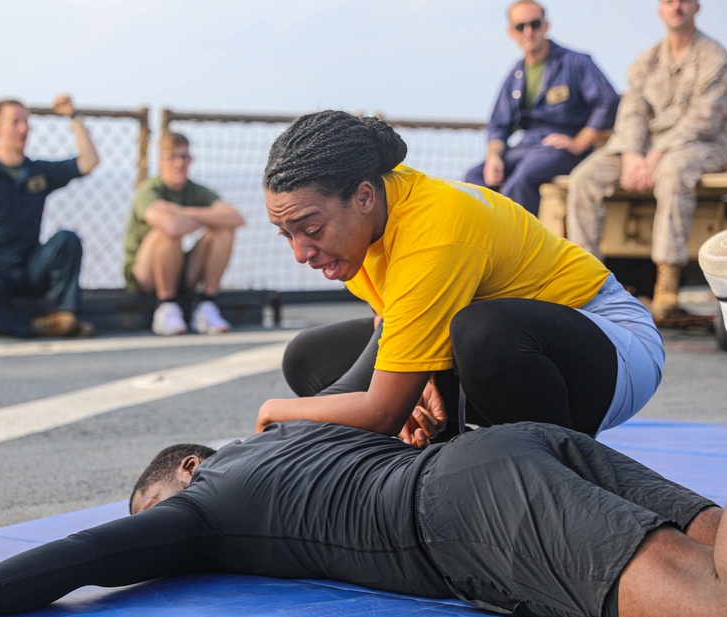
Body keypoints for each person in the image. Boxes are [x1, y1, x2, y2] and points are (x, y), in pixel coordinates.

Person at [0, 419, 727, 617]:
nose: (167, 543)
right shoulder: (295, 437)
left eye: (158, 517)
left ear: (184, 471)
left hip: (468, 510)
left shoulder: (210, 495)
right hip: (518, 444)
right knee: (724, 546)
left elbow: (94, 556)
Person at [258, 110, 664, 446]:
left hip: (611, 342)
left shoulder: (431, 231)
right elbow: (393, 322)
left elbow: (381, 411)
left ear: (363, 197)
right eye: (286, 234)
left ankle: (561, 462)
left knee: (479, 331)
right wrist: (419, 379)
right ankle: (436, 456)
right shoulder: (365, 225)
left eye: (311, 230)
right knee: (309, 358)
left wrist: (276, 413)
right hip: (506, 348)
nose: (300, 253)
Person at [566, 0, 727, 321]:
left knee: (672, 171)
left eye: (684, 1)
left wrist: (656, 154)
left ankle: (666, 282)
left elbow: (704, 117)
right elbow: (632, 111)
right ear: (660, 10)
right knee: (585, 177)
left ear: (696, 7)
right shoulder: (646, 60)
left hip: (703, 145)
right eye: (669, 1)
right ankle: (585, 280)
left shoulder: (714, 57)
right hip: (645, 149)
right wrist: (631, 155)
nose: (677, 7)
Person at [0, 88, 100, 338]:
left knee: (67, 239)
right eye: (15, 122)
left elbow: (89, 161)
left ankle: (65, 317)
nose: (23, 129)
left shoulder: (37, 171)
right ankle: (30, 326)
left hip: (30, 268)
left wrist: (73, 115)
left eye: (26, 122)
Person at [463, 0, 619, 216]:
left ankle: (516, 247)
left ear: (546, 26)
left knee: (522, 179)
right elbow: (498, 125)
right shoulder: (515, 74)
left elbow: (608, 103)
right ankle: (480, 239)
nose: (528, 31)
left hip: (562, 149)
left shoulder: (576, 62)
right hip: (528, 147)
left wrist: (579, 142)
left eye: (535, 24)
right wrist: (494, 157)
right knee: (474, 177)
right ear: (511, 32)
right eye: (521, 26)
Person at [123, 132, 246, 336]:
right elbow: (171, 227)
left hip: (182, 272)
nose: (179, 163)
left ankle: (207, 305)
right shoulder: (148, 190)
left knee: (224, 231)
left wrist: (183, 212)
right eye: (172, 157)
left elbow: (236, 218)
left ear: (191, 160)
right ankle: (166, 307)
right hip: (145, 275)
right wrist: (208, 217)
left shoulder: (197, 190)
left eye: (184, 157)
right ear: (161, 160)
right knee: (166, 233)